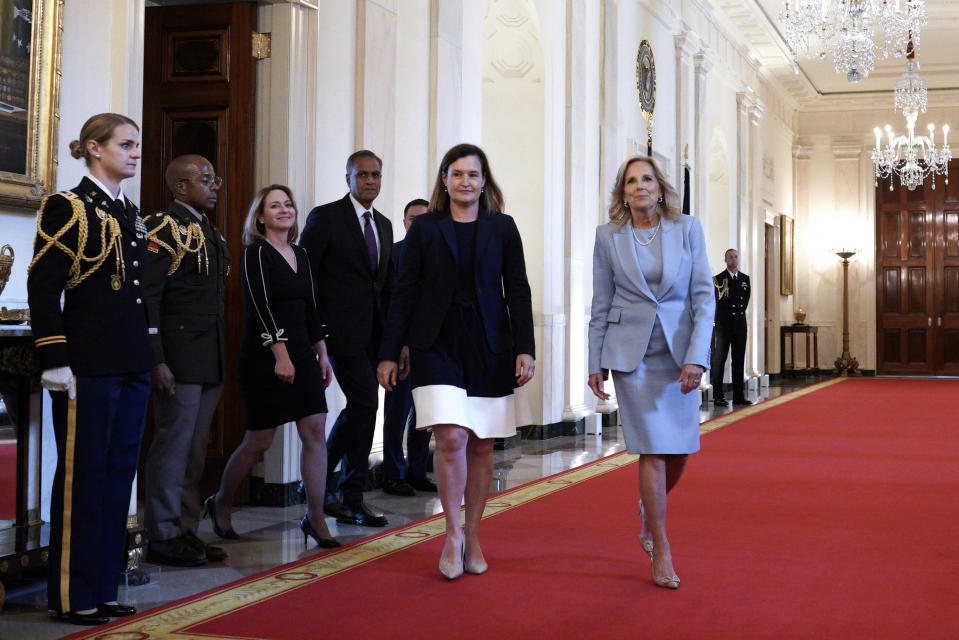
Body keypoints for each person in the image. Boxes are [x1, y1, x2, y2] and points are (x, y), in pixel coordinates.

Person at [377, 143, 535, 580]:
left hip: (489, 344)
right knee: (450, 438)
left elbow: (517, 289)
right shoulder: (425, 229)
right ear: (444, 180)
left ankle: (475, 534)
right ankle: (451, 533)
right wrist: (390, 352)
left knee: (482, 442)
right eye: (457, 174)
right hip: (435, 345)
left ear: (485, 182)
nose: (466, 182)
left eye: (474, 174)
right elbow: (404, 293)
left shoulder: (502, 227)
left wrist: (525, 347)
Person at [27, 113, 150, 625]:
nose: (135, 153)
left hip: (130, 364)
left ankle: (102, 588)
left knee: (118, 479)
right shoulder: (68, 206)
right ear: (95, 149)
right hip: (88, 366)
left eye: (137, 145)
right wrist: (55, 356)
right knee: (84, 478)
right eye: (126, 144)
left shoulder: (131, 213)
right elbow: (43, 285)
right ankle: (72, 594)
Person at [587, 156, 714, 590]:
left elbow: (703, 297)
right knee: (652, 452)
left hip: (679, 354)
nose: (639, 187)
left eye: (647, 180)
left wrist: (698, 357)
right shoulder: (608, 238)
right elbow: (600, 304)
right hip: (632, 357)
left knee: (679, 451)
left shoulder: (688, 229)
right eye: (630, 181)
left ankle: (648, 511)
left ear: (660, 189)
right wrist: (593, 364)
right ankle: (660, 547)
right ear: (622, 193)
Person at [206, 185, 339, 550]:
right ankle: (220, 500)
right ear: (260, 217)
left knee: (315, 429)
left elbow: (311, 308)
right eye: (274, 205)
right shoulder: (255, 254)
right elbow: (260, 306)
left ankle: (315, 517)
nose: (284, 210)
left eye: (288, 204)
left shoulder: (301, 254)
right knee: (259, 440)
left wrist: (322, 353)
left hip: (303, 352)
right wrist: (281, 355)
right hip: (266, 355)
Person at [141, 155, 230, 566]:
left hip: (208, 355)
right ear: (181, 186)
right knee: (172, 448)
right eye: (206, 179)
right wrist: (157, 358)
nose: (215, 185)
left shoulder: (207, 229)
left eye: (214, 179)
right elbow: (150, 298)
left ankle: (186, 530)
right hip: (178, 357)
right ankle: (161, 534)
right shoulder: (164, 228)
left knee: (194, 451)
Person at [300, 151, 393, 527]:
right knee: (365, 403)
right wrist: (314, 331)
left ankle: (324, 483)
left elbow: (383, 286)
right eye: (363, 175)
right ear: (348, 179)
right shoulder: (326, 218)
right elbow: (305, 274)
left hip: (375, 333)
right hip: (337, 331)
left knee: (361, 406)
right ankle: (351, 494)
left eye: (376, 175)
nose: (370, 181)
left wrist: (393, 341)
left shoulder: (384, 225)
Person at [381, 198, 437, 496]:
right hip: (402, 347)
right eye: (412, 219)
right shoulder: (394, 253)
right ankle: (393, 474)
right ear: (404, 223)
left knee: (424, 413)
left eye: (423, 219)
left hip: (431, 348)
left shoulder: (441, 255)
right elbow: (391, 302)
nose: (417, 224)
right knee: (398, 412)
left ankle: (417, 470)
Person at [710, 249, 751, 406]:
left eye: (735, 257)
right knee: (719, 360)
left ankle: (739, 396)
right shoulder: (718, 279)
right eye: (730, 257)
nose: (734, 260)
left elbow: (745, 301)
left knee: (739, 361)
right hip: (723, 325)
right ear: (725, 260)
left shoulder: (744, 279)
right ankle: (718, 396)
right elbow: (717, 302)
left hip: (739, 326)